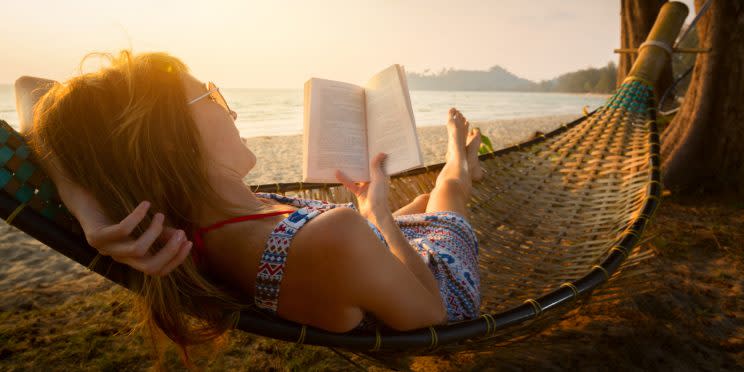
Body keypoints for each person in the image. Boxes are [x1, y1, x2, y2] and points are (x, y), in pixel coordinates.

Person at [17, 50, 484, 353]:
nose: (232, 110)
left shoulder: (199, 222)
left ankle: (459, 167)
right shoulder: (333, 235)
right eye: (212, 96)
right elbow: (432, 315)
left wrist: (85, 207)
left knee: (423, 198)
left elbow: (28, 89)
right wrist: (378, 214)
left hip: (377, 260)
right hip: (439, 282)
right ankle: (462, 164)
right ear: (171, 139)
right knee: (446, 192)